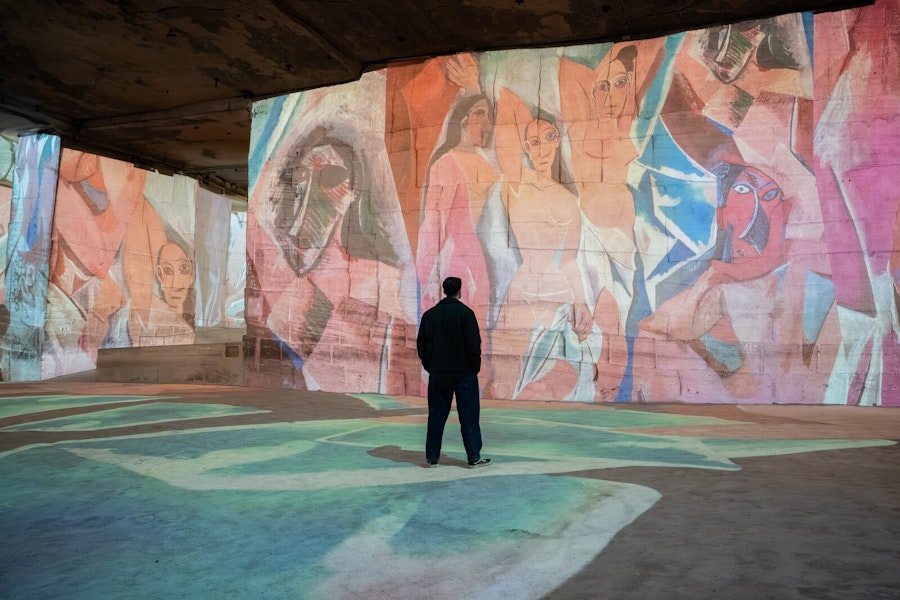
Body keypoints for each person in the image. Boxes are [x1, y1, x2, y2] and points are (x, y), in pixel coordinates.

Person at [416, 276, 491, 468]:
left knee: (436, 416)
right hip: (464, 374)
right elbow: (473, 345)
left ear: (444, 291)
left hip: (439, 374)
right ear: (460, 291)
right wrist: (474, 368)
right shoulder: (466, 314)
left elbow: (421, 345)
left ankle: (432, 457)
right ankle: (473, 456)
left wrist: (430, 366)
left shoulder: (430, 315)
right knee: (469, 416)